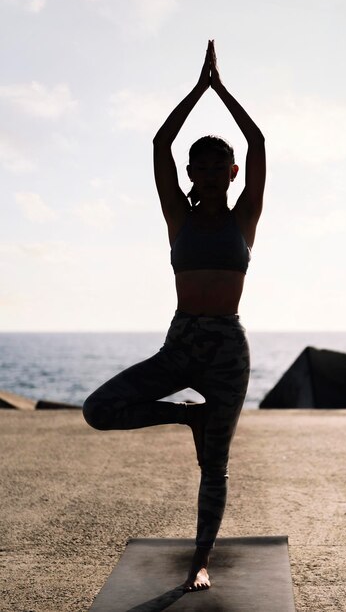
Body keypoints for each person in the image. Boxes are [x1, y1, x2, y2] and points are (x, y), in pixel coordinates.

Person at [82, 39, 265, 592]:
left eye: (218, 167)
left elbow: (257, 141)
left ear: (232, 173)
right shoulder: (177, 219)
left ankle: (199, 560)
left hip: (227, 349)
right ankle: (187, 415)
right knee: (99, 409)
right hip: (182, 342)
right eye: (200, 167)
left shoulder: (244, 217)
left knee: (216, 467)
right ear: (189, 172)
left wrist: (222, 90)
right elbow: (161, 140)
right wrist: (197, 88)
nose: (209, 175)